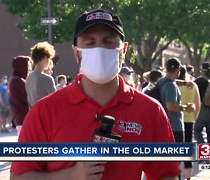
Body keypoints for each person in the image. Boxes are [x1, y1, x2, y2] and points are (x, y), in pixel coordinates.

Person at [11, 9, 179, 179]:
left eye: (108, 41)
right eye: (90, 43)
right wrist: (71, 175)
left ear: (123, 50)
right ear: (76, 52)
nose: (100, 50)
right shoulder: (44, 111)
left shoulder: (150, 110)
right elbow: (18, 177)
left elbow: (166, 174)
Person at [178, 66, 201, 180]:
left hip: (176, 119)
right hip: (189, 119)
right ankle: (188, 177)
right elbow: (197, 103)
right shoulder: (193, 85)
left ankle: (176, 175)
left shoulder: (174, 85)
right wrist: (194, 117)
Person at [26, 42, 56, 107]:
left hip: (33, 114)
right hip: (45, 115)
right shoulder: (47, 79)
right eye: (49, 58)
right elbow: (55, 101)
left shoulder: (28, 78)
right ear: (45, 58)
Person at [9, 56, 32, 136]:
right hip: (23, 118)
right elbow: (29, 97)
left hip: (20, 118)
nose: (29, 69)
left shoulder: (14, 79)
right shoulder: (18, 81)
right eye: (27, 66)